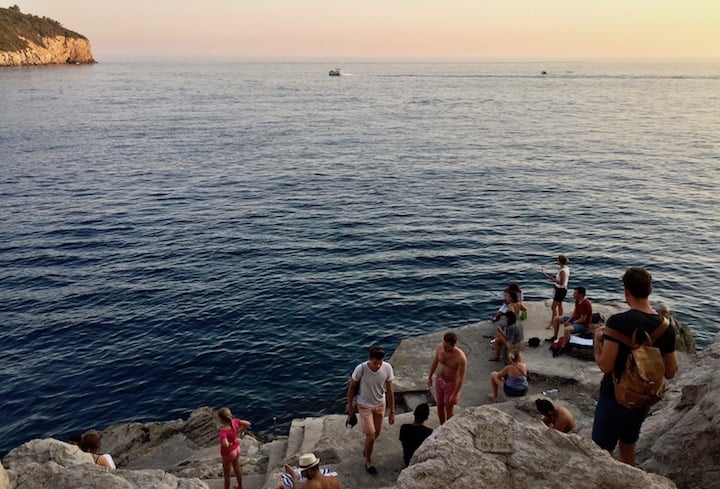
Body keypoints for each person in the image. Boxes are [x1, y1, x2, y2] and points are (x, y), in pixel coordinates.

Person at [592, 267, 678, 466]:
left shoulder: (617, 322)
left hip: (614, 397)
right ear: (649, 290)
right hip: (644, 397)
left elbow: (605, 366)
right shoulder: (666, 327)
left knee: (599, 450)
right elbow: (671, 372)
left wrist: (598, 342)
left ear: (626, 291)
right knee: (629, 443)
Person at [346, 345, 395, 475]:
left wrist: (392, 412)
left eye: (380, 363)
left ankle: (367, 448)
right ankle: (368, 461)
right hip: (364, 405)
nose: (378, 366)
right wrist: (350, 406)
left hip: (380, 404)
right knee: (371, 435)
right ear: (369, 359)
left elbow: (390, 390)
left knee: (376, 433)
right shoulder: (360, 369)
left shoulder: (387, 368)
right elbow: (352, 388)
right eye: (375, 363)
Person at [427, 332, 467, 424]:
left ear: (453, 345)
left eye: (447, 346)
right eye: (443, 344)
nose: (444, 348)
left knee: (449, 408)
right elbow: (435, 362)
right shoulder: (440, 347)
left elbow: (460, 377)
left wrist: (455, 394)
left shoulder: (460, 358)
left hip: (451, 384)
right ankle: (442, 425)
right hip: (440, 380)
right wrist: (429, 376)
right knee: (440, 405)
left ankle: (448, 426)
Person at [217, 407, 252, 489]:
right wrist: (239, 430)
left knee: (227, 475)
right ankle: (240, 486)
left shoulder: (223, 431)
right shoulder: (235, 421)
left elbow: (225, 444)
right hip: (237, 449)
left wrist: (228, 443)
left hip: (229, 453)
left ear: (221, 420)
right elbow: (248, 423)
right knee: (237, 468)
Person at [399, 403, 433, 467]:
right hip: (419, 462)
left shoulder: (404, 428)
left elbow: (402, 441)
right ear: (426, 418)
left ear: (414, 413)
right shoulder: (429, 433)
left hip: (407, 460)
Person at [542, 254, 570, 328]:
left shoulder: (562, 271)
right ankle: (560, 319)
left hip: (560, 290)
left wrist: (552, 279)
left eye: (557, 260)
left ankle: (552, 323)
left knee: (553, 307)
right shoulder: (566, 268)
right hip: (562, 289)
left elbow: (561, 283)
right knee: (560, 305)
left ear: (560, 261)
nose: (556, 261)